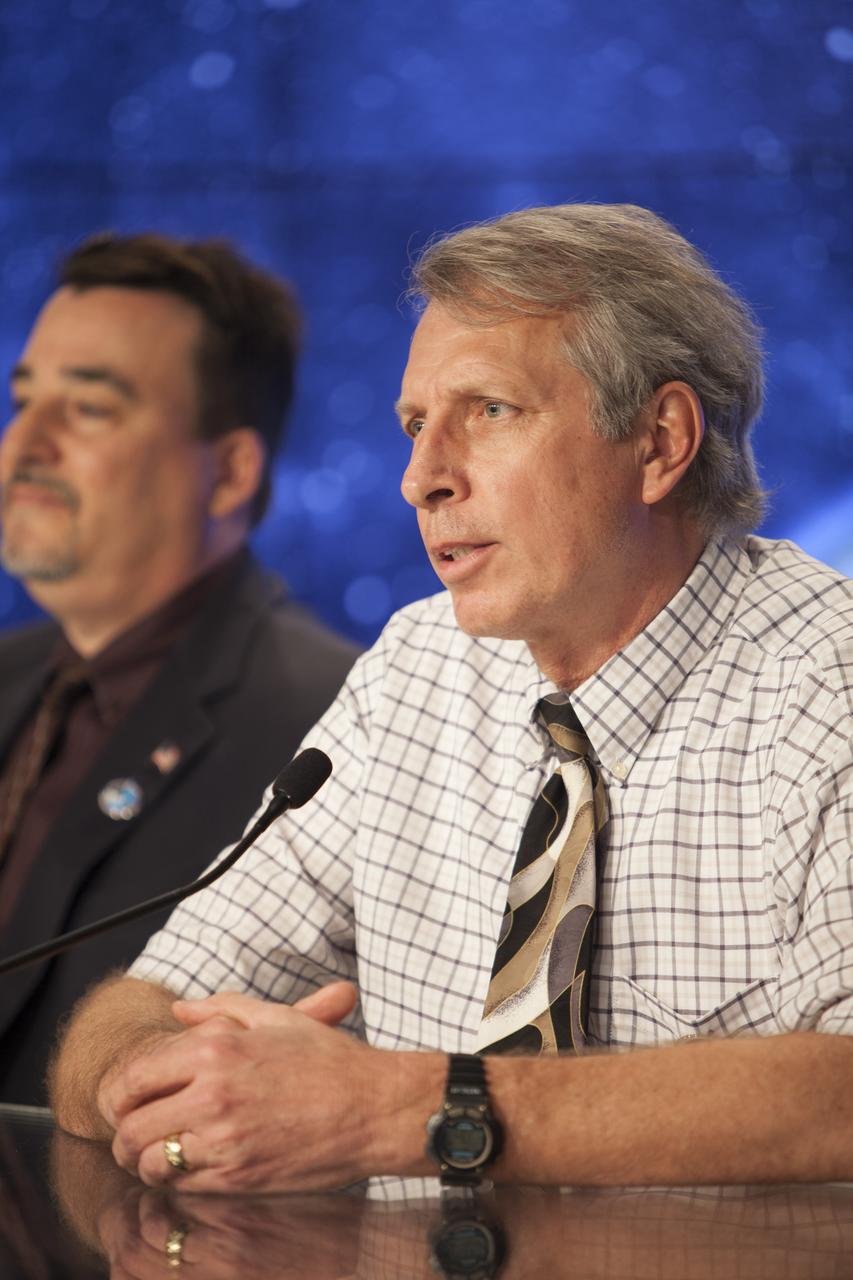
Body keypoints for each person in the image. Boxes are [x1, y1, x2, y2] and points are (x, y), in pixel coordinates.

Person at [51, 205, 853, 1190]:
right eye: (414, 424)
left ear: (659, 439)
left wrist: (403, 1109)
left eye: (490, 411)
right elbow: (150, 996)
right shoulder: (414, 666)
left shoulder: (830, 688)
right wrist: (166, 1088)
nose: (419, 478)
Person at [0, 233, 359, 1105]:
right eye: (23, 400)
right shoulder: (10, 679)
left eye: (88, 409)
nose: (27, 444)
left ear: (230, 470)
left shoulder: (334, 725)